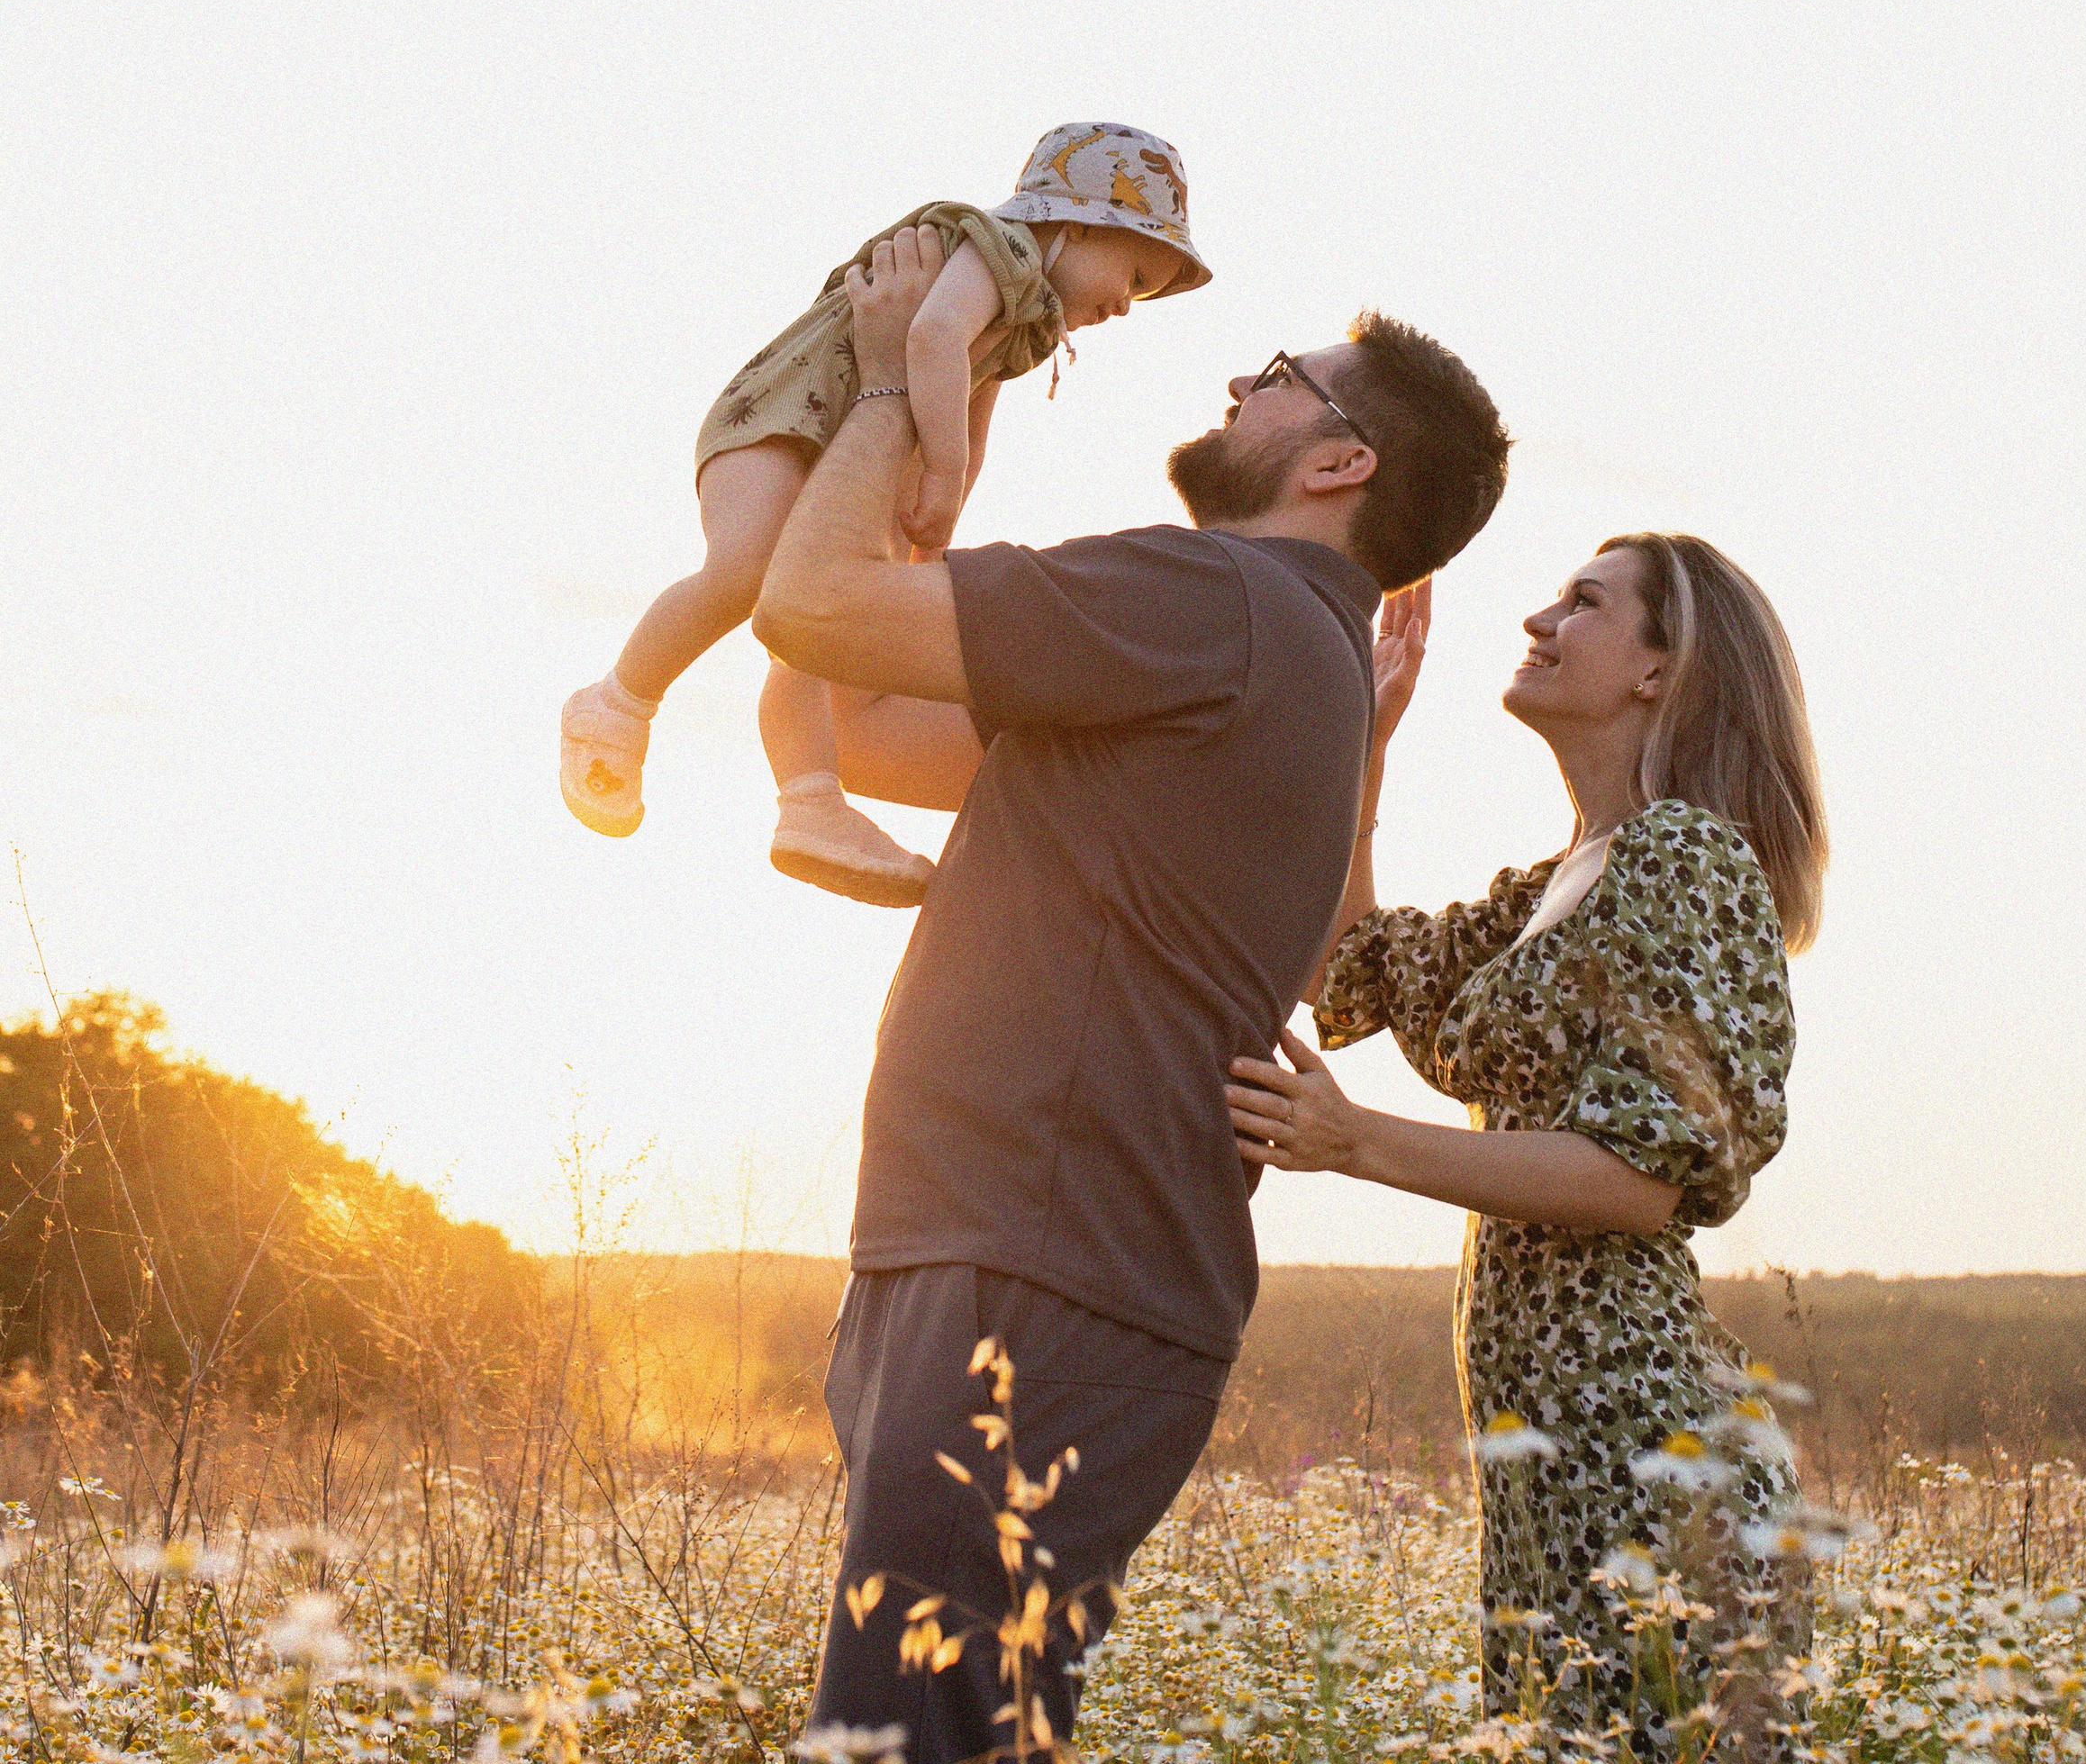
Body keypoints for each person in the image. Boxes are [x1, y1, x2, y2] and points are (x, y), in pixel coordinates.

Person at [753, 224, 1512, 1761]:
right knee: (952, 1734)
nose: (1239, 380)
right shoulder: (1267, 659)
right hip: (1021, 1259)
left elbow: (809, 611)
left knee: (908, 1743)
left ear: (1340, 462)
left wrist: (916, 375)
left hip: (1037, 1268)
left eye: (1279, 377)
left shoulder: (1217, 599)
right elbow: (878, 720)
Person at [1227, 537, 1828, 1741]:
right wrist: (1367, 748)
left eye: (1586, 604)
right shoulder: (1558, 886)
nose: (1540, 619)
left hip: (1644, 1448)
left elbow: (1643, 1179)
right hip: (1551, 1456)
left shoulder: (1684, 859)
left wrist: (1357, 1144)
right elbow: (1351, 968)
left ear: (1661, 669)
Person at [558, 122, 1209, 905]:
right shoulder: (995, 246)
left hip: (848, 450)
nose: (1129, 306)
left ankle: (810, 803)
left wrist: (943, 512)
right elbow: (933, 337)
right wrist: (941, 465)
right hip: (781, 416)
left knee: (816, 632)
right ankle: (615, 705)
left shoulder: (1031, 318)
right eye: (1135, 274)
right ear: (1073, 223)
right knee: (749, 570)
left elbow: (976, 403)